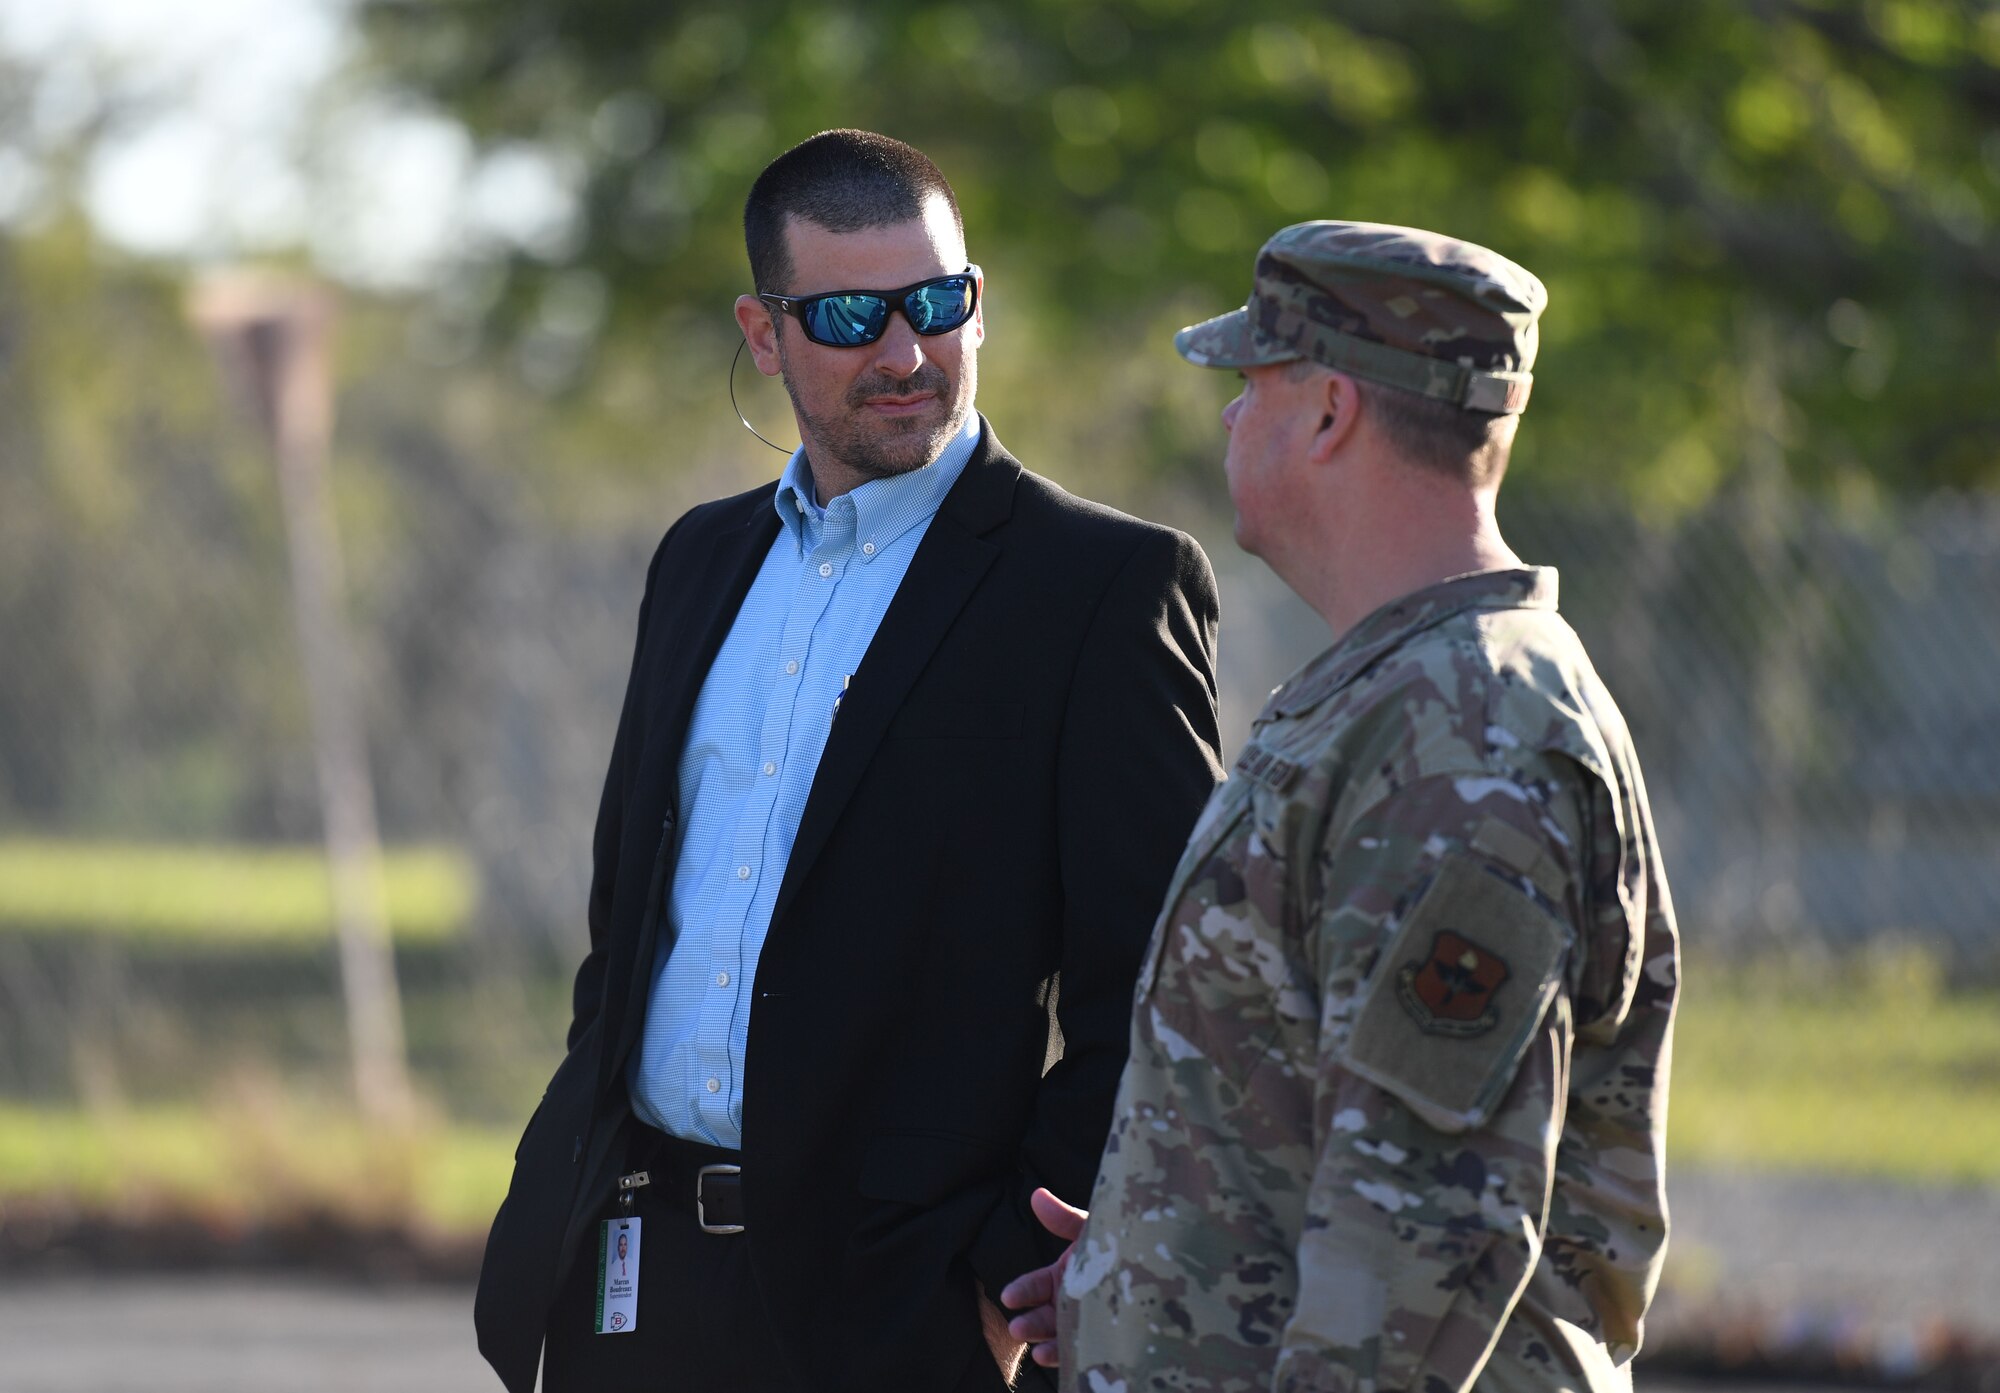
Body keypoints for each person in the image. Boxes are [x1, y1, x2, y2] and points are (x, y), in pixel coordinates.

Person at [473, 129, 1224, 1393]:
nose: (905, 353)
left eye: (938, 304)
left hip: (898, 1313)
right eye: (848, 317)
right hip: (634, 1278)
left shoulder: (1099, 588)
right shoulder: (699, 560)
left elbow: (1163, 987)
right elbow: (632, 928)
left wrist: (990, 1279)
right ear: (763, 335)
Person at [1000, 221, 1681, 1393]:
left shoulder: (1468, 735)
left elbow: (1426, 1230)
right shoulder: (1397, 692)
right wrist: (1146, 1275)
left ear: (1327, 414)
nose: (1226, 417)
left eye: (1250, 383)